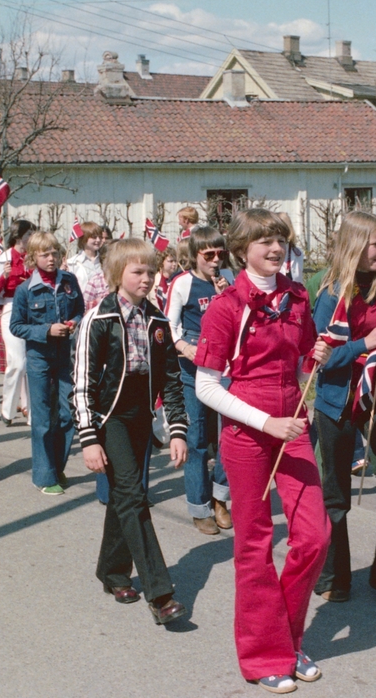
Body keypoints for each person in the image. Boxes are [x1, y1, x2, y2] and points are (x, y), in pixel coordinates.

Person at [193, 208, 331, 693]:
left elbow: (303, 359)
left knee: (314, 536)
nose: (275, 248)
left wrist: (317, 358)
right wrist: (266, 420)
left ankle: (289, 639)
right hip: (248, 430)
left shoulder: (296, 295)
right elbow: (207, 388)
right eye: (264, 241)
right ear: (241, 249)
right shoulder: (226, 305)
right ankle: (262, 655)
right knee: (253, 545)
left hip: (292, 424)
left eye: (280, 240)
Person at [73, 237, 188, 624]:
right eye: (138, 271)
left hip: (142, 414)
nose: (146, 279)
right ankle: (161, 593)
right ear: (116, 274)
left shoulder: (157, 320)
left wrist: (176, 430)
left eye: (151, 272)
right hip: (112, 417)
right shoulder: (99, 318)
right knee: (135, 497)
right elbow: (83, 384)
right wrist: (89, 438)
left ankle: (112, 570)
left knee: (126, 493)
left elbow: (171, 379)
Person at [312, 211, 376, 605]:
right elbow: (318, 359)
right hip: (337, 402)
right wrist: (363, 345)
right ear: (356, 245)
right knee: (336, 494)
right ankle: (333, 575)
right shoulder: (330, 293)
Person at [166, 226, 232, 534]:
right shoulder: (182, 283)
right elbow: (169, 325)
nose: (216, 260)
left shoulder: (227, 280)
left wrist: (225, 294)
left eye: (221, 253)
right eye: (209, 255)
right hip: (193, 362)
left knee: (229, 434)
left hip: (225, 362)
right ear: (195, 256)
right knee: (197, 437)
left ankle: (221, 496)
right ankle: (199, 505)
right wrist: (183, 347)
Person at [10, 231, 84, 495]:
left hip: (64, 355)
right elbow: (16, 326)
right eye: (44, 254)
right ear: (33, 258)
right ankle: (43, 476)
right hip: (39, 357)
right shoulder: (24, 290)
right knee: (42, 418)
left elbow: (79, 309)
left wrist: (74, 322)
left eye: (54, 252)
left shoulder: (69, 281)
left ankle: (56, 465)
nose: (51, 259)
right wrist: (45, 331)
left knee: (68, 412)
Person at [0, 219, 34, 426]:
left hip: (33, 309)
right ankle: (8, 408)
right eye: (28, 233)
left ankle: (31, 409)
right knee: (17, 362)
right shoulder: (3, 259)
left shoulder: (33, 257)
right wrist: (4, 277)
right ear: (18, 235)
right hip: (11, 308)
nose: (31, 237)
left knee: (32, 362)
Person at [66, 221, 109, 310]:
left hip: (103, 308)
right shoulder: (72, 263)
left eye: (100, 237)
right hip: (81, 308)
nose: (98, 240)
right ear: (84, 239)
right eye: (94, 237)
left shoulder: (105, 261)